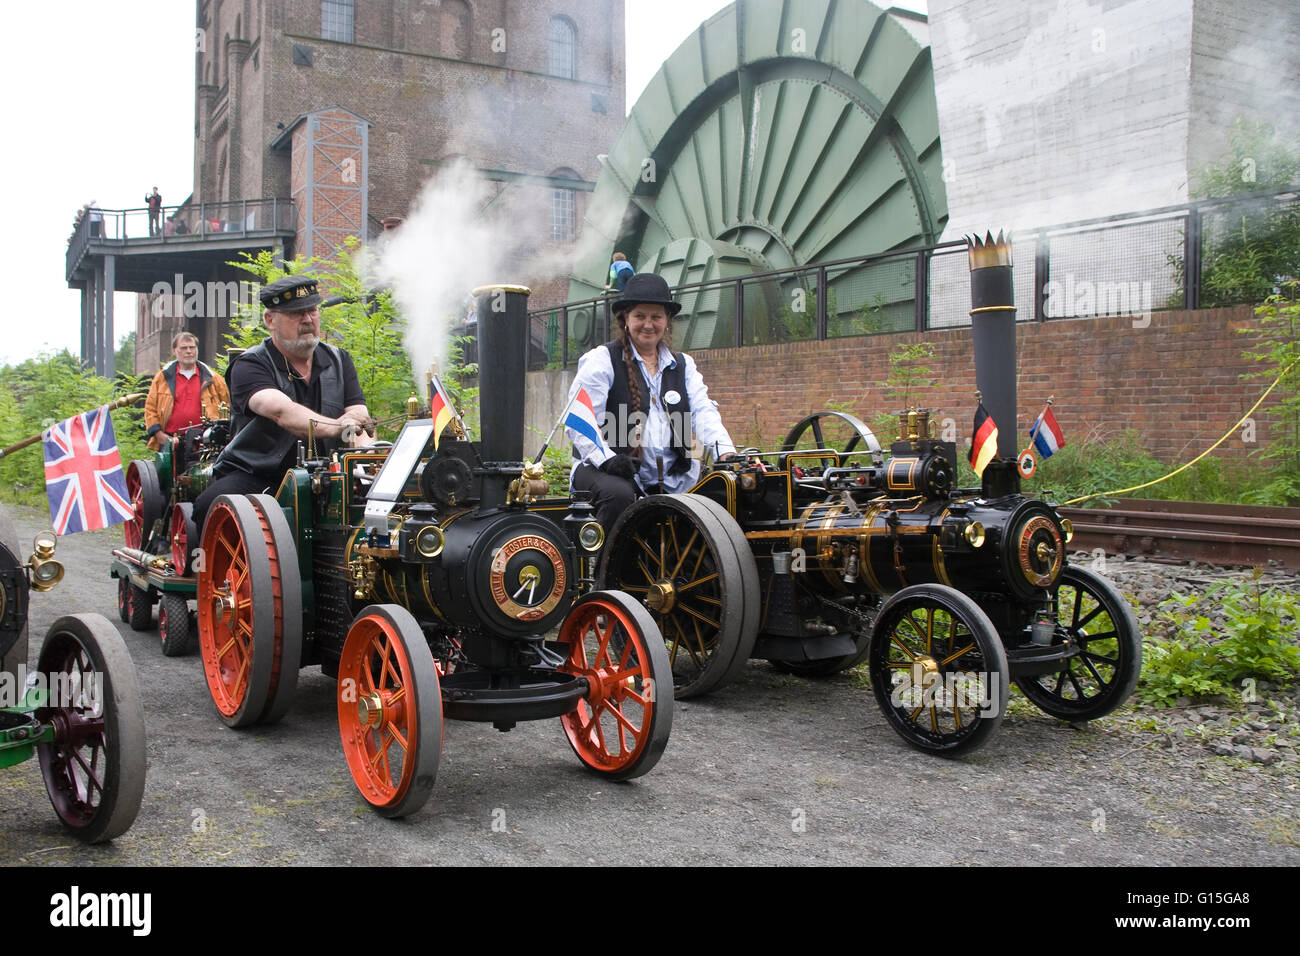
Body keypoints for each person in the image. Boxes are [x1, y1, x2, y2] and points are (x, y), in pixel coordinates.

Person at [191, 275, 375, 532]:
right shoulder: (249, 364)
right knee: (211, 505)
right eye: (295, 314)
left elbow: (357, 410)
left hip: (329, 473)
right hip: (259, 474)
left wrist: (363, 440)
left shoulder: (339, 359)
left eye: (312, 310)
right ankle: (202, 568)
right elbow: (282, 412)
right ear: (270, 320)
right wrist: (339, 426)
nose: (308, 320)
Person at [566, 273, 736, 529]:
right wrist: (608, 459)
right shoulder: (602, 360)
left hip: (673, 475)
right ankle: (604, 567)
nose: (648, 324)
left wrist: (725, 452)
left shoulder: (683, 365)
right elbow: (580, 420)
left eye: (656, 317)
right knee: (619, 495)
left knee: (723, 494)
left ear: (667, 321)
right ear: (625, 319)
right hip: (606, 471)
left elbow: (703, 411)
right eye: (640, 316)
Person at [143, 331, 230, 452]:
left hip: (206, 442)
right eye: (184, 348)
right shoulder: (162, 377)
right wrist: (159, 435)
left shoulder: (214, 379)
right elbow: (150, 408)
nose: (189, 351)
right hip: (171, 442)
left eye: (192, 347)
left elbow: (229, 407)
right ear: (175, 351)